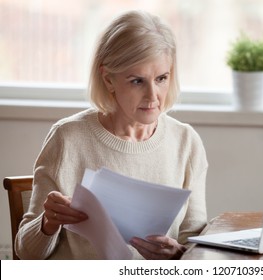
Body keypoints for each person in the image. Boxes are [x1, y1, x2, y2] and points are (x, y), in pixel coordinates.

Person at [15, 10, 208, 260]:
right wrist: (48, 222)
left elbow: (197, 246)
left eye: (161, 78)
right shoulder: (67, 138)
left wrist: (178, 253)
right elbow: (26, 253)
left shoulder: (186, 143)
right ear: (108, 79)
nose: (153, 96)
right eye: (137, 81)